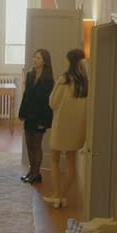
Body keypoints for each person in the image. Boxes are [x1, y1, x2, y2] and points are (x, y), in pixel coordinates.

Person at [44, 49, 88, 208]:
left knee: (54, 159)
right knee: (71, 163)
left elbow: (53, 102)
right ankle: (61, 195)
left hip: (61, 124)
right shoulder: (85, 81)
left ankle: (57, 195)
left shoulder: (65, 79)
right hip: (77, 126)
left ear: (69, 61)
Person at [18, 49, 55, 184]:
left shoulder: (48, 79)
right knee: (29, 144)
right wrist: (22, 113)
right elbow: (26, 95)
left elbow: (46, 102)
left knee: (36, 145)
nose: (35, 60)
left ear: (44, 62)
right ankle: (32, 172)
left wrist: (43, 121)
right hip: (29, 114)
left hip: (41, 116)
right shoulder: (30, 75)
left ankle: (36, 173)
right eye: (34, 57)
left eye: (38, 58)